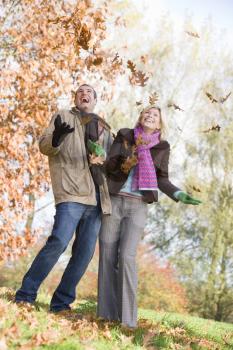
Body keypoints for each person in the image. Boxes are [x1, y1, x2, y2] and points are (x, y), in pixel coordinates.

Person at [97, 105, 201, 328]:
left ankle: (127, 321)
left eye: (155, 115)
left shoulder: (162, 146)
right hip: (115, 200)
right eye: (147, 112)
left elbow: (162, 178)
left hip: (138, 206)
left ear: (160, 123)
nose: (150, 115)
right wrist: (127, 161)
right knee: (107, 253)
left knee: (126, 255)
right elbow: (109, 166)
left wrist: (178, 193)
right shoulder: (125, 135)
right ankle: (106, 315)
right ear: (140, 117)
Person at [15, 84, 112, 312]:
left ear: (95, 99)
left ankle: (61, 304)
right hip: (72, 192)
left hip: (98, 198)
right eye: (80, 92)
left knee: (84, 254)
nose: (84, 94)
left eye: (89, 92)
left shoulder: (104, 127)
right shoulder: (63, 116)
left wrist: (106, 159)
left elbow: (113, 162)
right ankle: (25, 295)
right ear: (76, 98)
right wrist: (57, 137)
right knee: (58, 241)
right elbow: (44, 146)